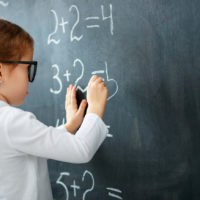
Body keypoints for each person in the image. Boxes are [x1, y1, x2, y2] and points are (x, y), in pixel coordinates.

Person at [0, 19, 108, 200]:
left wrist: (68, 128)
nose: (30, 78)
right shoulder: (10, 121)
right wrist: (95, 109)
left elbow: (28, 146)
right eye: (28, 68)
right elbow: (82, 149)